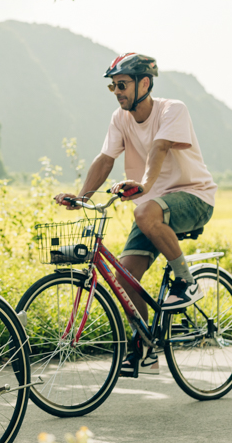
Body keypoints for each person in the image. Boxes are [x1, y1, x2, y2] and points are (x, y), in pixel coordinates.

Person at [53, 53, 216, 377]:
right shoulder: (120, 118)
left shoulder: (173, 109)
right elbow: (105, 158)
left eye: (122, 84)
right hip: (150, 207)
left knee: (145, 211)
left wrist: (144, 185)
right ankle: (146, 348)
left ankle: (187, 281)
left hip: (194, 196)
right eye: (113, 86)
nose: (117, 91)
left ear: (144, 83)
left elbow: (160, 147)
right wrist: (81, 197)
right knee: (124, 278)